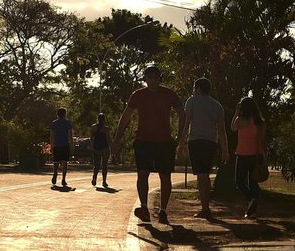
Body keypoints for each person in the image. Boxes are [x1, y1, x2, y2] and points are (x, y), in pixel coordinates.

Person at [111, 65, 185, 225]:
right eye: (149, 77)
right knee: (143, 174)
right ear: (145, 79)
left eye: (156, 77)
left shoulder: (169, 94)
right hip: (143, 141)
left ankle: (163, 211)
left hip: (164, 141)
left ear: (160, 78)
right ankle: (144, 208)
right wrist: (117, 138)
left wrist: (180, 137)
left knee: (165, 176)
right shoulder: (138, 95)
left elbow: (182, 113)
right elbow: (126, 116)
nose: (153, 80)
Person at [179, 78, 229, 220]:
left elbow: (187, 123)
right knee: (205, 174)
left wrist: (182, 142)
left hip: (196, 141)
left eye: (194, 87)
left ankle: (205, 209)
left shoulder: (191, 101)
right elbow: (222, 130)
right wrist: (225, 150)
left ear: (199, 89)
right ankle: (205, 207)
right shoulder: (217, 106)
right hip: (211, 142)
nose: (193, 90)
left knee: (201, 175)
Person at [231, 96, 265, 218]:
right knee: (253, 182)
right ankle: (252, 209)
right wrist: (264, 156)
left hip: (242, 154)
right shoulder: (260, 122)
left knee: (239, 182)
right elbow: (263, 141)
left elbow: (232, 128)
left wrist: (236, 112)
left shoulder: (241, 120)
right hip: (256, 155)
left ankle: (251, 199)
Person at [50, 108, 74, 187]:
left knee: (56, 162)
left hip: (56, 144)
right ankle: (63, 179)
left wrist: (51, 145)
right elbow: (70, 135)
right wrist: (72, 145)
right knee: (65, 162)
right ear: (64, 114)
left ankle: (55, 174)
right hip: (65, 144)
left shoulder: (54, 123)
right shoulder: (67, 123)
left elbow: (52, 136)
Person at [90, 113, 111, 188]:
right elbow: (108, 139)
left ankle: (94, 178)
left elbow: (91, 138)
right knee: (104, 165)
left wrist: (92, 147)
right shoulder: (105, 128)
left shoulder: (93, 127)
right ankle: (104, 181)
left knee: (96, 165)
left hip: (96, 148)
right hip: (104, 148)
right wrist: (111, 147)